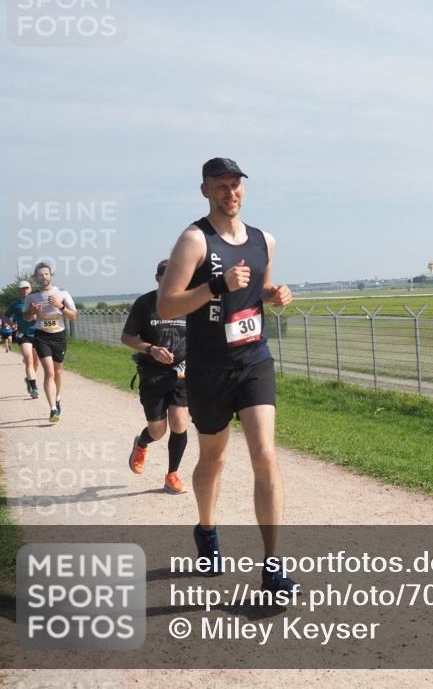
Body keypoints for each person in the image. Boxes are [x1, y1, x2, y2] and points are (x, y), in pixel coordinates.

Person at [158, 157, 294, 593]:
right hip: (209, 368)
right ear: (205, 191)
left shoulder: (264, 240)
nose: (230, 193)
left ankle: (273, 566)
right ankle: (207, 529)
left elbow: (259, 289)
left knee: (265, 456)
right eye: (220, 186)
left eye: (236, 185)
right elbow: (167, 305)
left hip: (254, 360)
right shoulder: (194, 240)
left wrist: (276, 294)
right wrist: (216, 287)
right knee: (213, 459)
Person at [122, 259, 190, 494]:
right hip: (152, 375)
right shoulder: (145, 303)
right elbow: (127, 338)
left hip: (181, 374)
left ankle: (172, 475)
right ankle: (141, 443)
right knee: (158, 431)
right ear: (158, 278)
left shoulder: (189, 302)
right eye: (168, 275)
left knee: (180, 423)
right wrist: (151, 349)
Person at [23, 263, 77, 422]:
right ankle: (53, 409)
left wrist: (60, 306)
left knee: (58, 372)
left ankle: (57, 397)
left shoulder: (62, 293)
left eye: (46, 274)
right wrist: (33, 311)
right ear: (36, 278)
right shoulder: (31, 297)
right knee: (50, 372)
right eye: (40, 274)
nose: (44, 277)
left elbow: (73, 316)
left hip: (59, 336)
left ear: (51, 275)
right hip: (42, 336)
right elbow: (26, 317)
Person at [6, 281, 40, 398]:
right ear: (19, 291)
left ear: (31, 289)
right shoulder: (15, 304)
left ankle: (29, 380)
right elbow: (5, 316)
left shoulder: (38, 301)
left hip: (37, 335)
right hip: (23, 335)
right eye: (22, 289)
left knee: (36, 362)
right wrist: (11, 324)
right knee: (29, 360)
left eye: (27, 288)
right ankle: (34, 388)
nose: (25, 290)